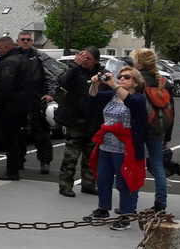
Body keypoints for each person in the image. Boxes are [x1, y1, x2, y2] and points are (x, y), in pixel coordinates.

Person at [84, 66, 148, 231]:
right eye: (120, 76)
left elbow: (131, 102)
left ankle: (126, 215)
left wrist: (113, 84)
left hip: (126, 148)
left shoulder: (139, 98)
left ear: (135, 82)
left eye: (126, 77)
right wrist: (95, 84)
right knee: (103, 178)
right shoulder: (113, 96)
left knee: (125, 181)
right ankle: (103, 208)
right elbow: (94, 97)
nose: (121, 79)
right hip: (107, 145)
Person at [55, 47, 107, 197]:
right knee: (70, 156)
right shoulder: (75, 71)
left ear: (96, 61)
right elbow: (63, 82)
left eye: (88, 58)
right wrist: (75, 65)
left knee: (91, 156)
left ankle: (89, 183)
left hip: (94, 121)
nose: (84, 61)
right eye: (82, 57)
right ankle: (65, 185)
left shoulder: (102, 74)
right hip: (75, 120)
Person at [0, 36, 31, 181]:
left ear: (6, 47)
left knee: (10, 138)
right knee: (16, 137)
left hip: (9, 106)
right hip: (21, 104)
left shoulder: (10, 62)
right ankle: (15, 166)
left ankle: (12, 171)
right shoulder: (24, 60)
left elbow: (5, 85)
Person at [132, 48, 173, 211]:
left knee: (135, 164)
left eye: (135, 60)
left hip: (139, 127)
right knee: (157, 165)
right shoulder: (164, 81)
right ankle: (161, 203)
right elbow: (171, 110)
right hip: (158, 127)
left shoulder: (137, 80)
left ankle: (130, 203)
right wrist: (167, 134)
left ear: (140, 63)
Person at [16, 31, 56, 174]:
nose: (25, 42)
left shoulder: (41, 57)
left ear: (32, 41)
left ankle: (45, 162)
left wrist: (50, 94)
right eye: (23, 39)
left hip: (37, 100)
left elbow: (50, 77)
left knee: (41, 134)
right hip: (19, 101)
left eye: (28, 39)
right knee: (18, 133)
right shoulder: (13, 56)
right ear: (18, 41)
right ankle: (18, 160)